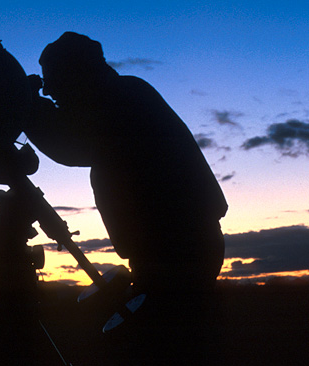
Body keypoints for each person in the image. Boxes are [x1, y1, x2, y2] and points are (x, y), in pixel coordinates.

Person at [24, 32, 228, 300]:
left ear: (76, 74)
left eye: (53, 80)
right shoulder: (126, 92)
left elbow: (73, 146)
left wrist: (26, 108)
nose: (48, 90)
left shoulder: (119, 100)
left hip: (176, 249)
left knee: (174, 333)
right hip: (176, 245)